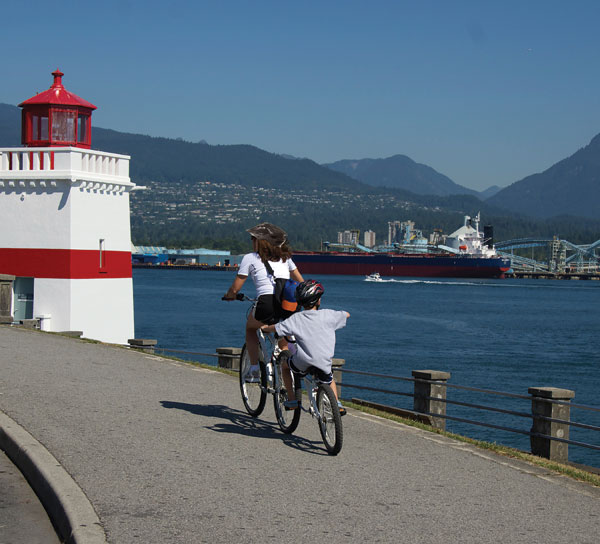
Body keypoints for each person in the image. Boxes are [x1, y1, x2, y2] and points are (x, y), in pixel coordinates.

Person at [223, 222, 304, 381]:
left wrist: (230, 295)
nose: (251, 242)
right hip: (289, 304)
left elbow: (236, 288)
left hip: (266, 303)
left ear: (260, 241)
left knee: (250, 329)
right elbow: (301, 282)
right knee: (283, 339)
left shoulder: (250, 258)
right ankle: (289, 378)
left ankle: (254, 370)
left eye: (253, 239)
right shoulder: (285, 258)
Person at [261, 280, 349, 414]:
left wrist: (265, 329)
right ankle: (336, 403)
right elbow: (346, 315)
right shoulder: (329, 315)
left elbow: (277, 328)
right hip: (324, 361)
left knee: (284, 366)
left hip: (303, 362)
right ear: (318, 301)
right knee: (329, 379)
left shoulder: (296, 319)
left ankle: (291, 399)